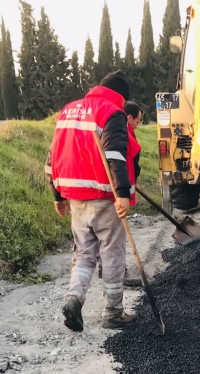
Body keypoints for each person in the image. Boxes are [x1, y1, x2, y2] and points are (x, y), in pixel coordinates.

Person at [46, 71, 139, 332]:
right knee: (112, 255)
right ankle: (113, 313)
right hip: (104, 198)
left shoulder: (68, 110)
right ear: (122, 97)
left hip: (75, 197)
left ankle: (74, 298)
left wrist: (57, 196)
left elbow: (52, 156)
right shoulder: (111, 112)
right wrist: (122, 193)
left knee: (84, 254)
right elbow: (116, 156)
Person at [122, 101, 145, 289]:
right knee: (115, 233)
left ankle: (106, 268)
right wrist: (128, 183)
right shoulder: (123, 132)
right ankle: (116, 271)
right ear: (129, 118)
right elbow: (132, 157)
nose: (138, 124)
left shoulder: (124, 130)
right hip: (117, 191)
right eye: (137, 121)